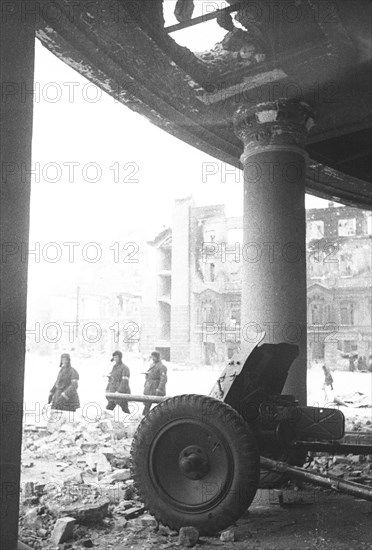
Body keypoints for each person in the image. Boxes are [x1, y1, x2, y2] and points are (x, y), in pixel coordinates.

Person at [143, 351, 167, 416]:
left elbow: (163, 379)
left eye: (154, 357)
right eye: (152, 356)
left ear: (158, 357)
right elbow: (150, 375)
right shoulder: (152, 365)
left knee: (160, 404)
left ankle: (163, 416)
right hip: (150, 387)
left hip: (156, 387)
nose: (153, 358)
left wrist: (159, 389)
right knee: (147, 403)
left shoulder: (162, 366)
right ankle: (144, 415)